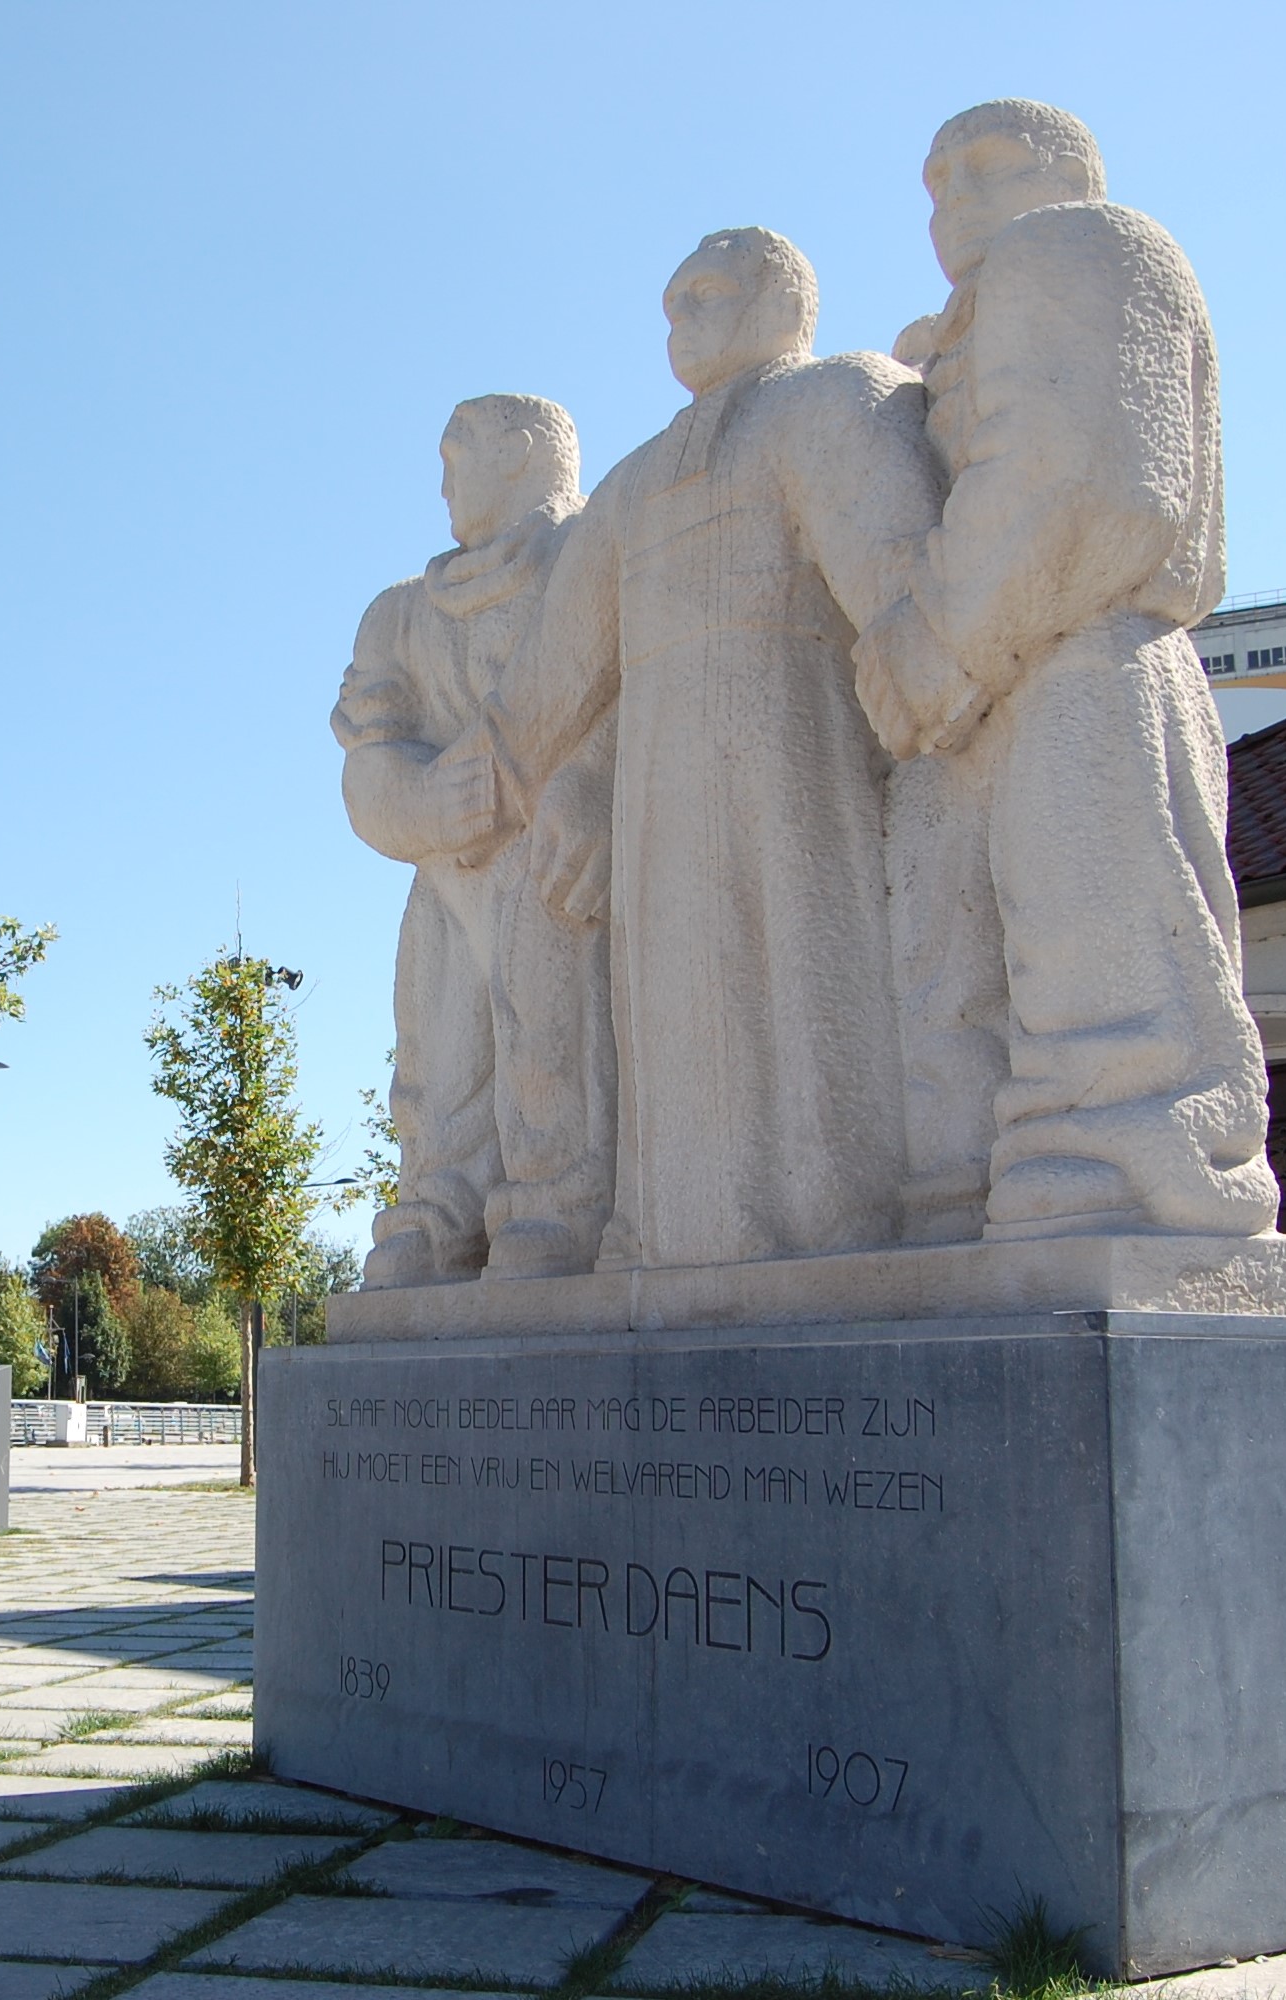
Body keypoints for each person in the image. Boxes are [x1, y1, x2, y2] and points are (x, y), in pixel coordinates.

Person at [481, 228, 946, 1270]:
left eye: (703, 292)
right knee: (678, 1025)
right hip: (656, 799)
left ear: (781, 296)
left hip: (801, 758)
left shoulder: (835, 400)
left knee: (805, 986)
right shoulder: (633, 483)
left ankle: (839, 1225)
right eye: (668, 303)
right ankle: (671, 1239)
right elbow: (554, 687)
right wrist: (561, 780)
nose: (677, 317)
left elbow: (908, 596)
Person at [856, 100, 1280, 1240]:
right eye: (932, 179)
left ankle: (1123, 1156)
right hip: (987, 685)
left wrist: (929, 646)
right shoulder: (957, 324)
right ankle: (992, 1180)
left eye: (985, 164)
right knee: (953, 975)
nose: (951, 196)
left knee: (1098, 950)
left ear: (1067, 170)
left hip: (1072, 652)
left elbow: (1084, 475)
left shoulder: (1081, 244)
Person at [332, 395, 617, 1287]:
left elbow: (650, 686)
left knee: (557, 1026)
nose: (443, 482)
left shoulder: (601, 552)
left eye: (458, 456)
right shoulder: (400, 613)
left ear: (524, 451)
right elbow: (367, 764)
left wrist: (597, 785)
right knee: (439, 1050)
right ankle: (438, 1207)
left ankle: (557, 1201)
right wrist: (423, 803)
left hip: (565, 853)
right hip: (446, 882)